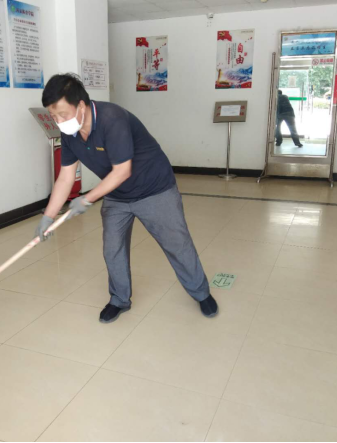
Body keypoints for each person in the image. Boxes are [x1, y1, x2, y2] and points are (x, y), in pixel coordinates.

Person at [35, 74, 218, 324]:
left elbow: (122, 171)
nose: (59, 121)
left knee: (177, 244)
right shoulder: (70, 133)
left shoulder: (112, 119)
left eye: (63, 114)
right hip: (117, 194)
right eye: (53, 116)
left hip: (154, 188)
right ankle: (119, 299)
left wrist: (86, 199)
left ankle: (201, 293)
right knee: (113, 249)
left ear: (81, 105)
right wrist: (48, 216)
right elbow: (66, 177)